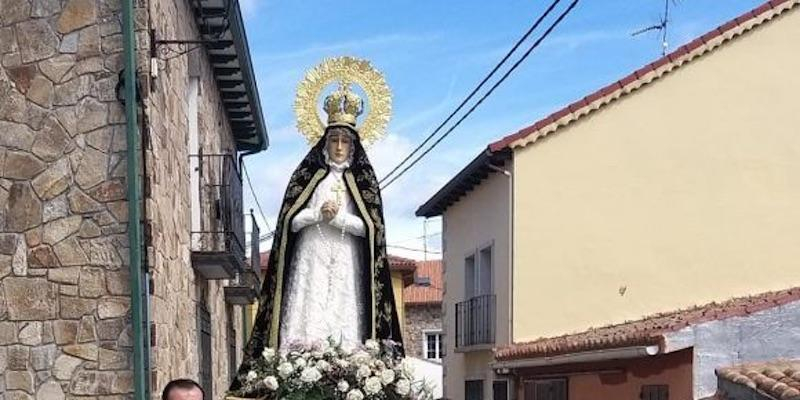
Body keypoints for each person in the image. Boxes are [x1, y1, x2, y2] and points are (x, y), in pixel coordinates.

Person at [229, 80, 403, 393]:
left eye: (345, 142)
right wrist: (315, 215)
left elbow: (371, 230)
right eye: (334, 140)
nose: (338, 147)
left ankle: (347, 371)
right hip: (310, 256)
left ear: (353, 147)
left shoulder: (363, 182)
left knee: (343, 310)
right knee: (307, 308)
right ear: (325, 143)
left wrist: (338, 219)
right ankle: (295, 366)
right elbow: (289, 223)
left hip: (348, 259)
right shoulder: (308, 177)